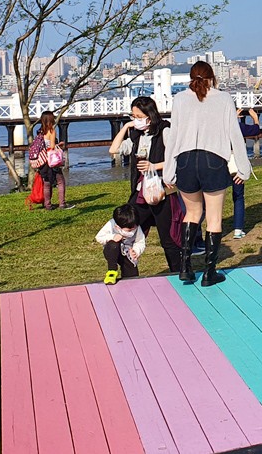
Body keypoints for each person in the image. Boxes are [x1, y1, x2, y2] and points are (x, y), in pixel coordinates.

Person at [163, 61, 252, 286]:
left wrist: (168, 171)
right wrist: (244, 168)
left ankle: (185, 267)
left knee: (192, 213)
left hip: (184, 160)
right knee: (213, 217)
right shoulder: (223, 99)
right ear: (212, 77)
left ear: (191, 78)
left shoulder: (180, 99)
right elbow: (235, 135)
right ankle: (209, 272)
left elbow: (173, 137)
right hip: (213, 159)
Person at [109, 96, 184, 272]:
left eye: (138, 116)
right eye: (133, 116)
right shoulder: (136, 136)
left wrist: (154, 166)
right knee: (127, 231)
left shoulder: (164, 131)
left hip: (162, 191)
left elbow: (177, 157)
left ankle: (178, 271)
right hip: (140, 193)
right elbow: (113, 150)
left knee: (168, 239)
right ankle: (128, 271)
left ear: (149, 116)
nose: (135, 120)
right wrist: (126, 127)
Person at [28, 110, 71, 210]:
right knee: (60, 181)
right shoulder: (51, 131)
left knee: (47, 183)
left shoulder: (40, 131)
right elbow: (51, 147)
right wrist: (59, 145)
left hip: (43, 161)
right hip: (51, 160)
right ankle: (62, 204)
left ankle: (47, 205)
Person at [95, 204, 146, 284]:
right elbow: (99, 237)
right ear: (118, 226)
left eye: (134, 229)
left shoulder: (136, 227)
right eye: (129, 230)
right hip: (112, 251)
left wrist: (136, 251)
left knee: (132, 277)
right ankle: (112, 271)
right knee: (113, 245)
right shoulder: (111, 224)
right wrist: (112, 237)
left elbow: (140, 241)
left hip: (127, 253)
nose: (131, 232)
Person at [231, 107, 260, 239]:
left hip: (218, 165)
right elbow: (255, 130)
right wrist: (255, 118)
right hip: (235, 165)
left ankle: (213, 229)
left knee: (212, 198)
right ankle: (238, 229)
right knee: (238, 196)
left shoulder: (216, 127)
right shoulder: (237, 127)